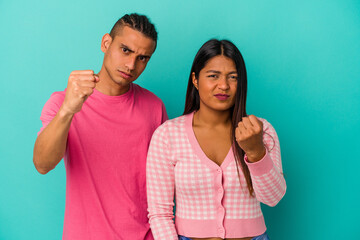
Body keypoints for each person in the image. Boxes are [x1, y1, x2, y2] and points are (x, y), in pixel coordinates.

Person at [33, 13, 167, 240]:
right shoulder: (62, 102)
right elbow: (43, 164)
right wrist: (67, 110)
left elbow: (166, 180)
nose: (131, 65)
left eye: (143, 58)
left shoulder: (154, 107)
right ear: (106, 43)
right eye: (125, 50)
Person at [146, 39, 286, 240]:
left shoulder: (261, 131)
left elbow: (273, 198)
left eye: (233, 77)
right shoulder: (167, 135)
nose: (224, 85)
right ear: (195, 79)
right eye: (213, 76)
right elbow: (160, 214)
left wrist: (256, 152)